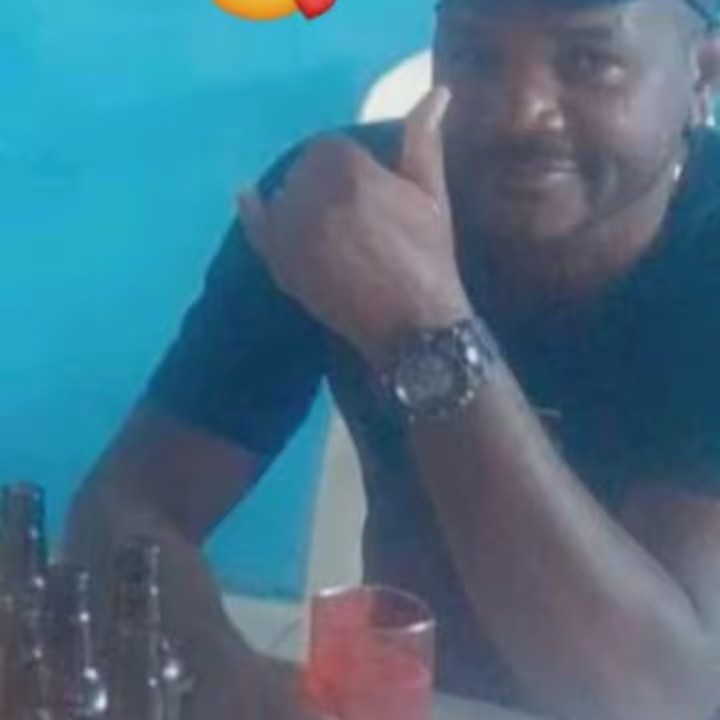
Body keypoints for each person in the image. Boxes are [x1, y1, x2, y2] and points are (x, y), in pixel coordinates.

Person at [67, 0, 720, 716]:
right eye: (474, 55)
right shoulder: (347, 211)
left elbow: (662, 697)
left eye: (589, 60)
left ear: (703, 77)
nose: (520, 112)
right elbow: (121, 511)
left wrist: (426, 331)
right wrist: (224, 676)